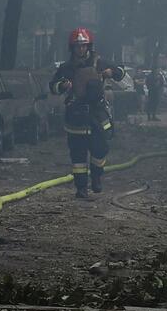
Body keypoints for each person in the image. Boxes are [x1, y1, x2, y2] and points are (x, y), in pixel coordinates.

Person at [49, 28, 126, 199]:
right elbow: (53, 86)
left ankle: (97, 175)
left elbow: (121, 72)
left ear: (88, 46)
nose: (81, 49)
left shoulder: (100, 62)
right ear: (72, 48)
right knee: (78, 156)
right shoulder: (66, 68)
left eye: (83, 46)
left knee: (100, 149)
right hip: (75, 116)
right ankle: (81, 188)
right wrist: (62, 86)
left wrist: (112, 72)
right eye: (77, 46)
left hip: (97, 114)